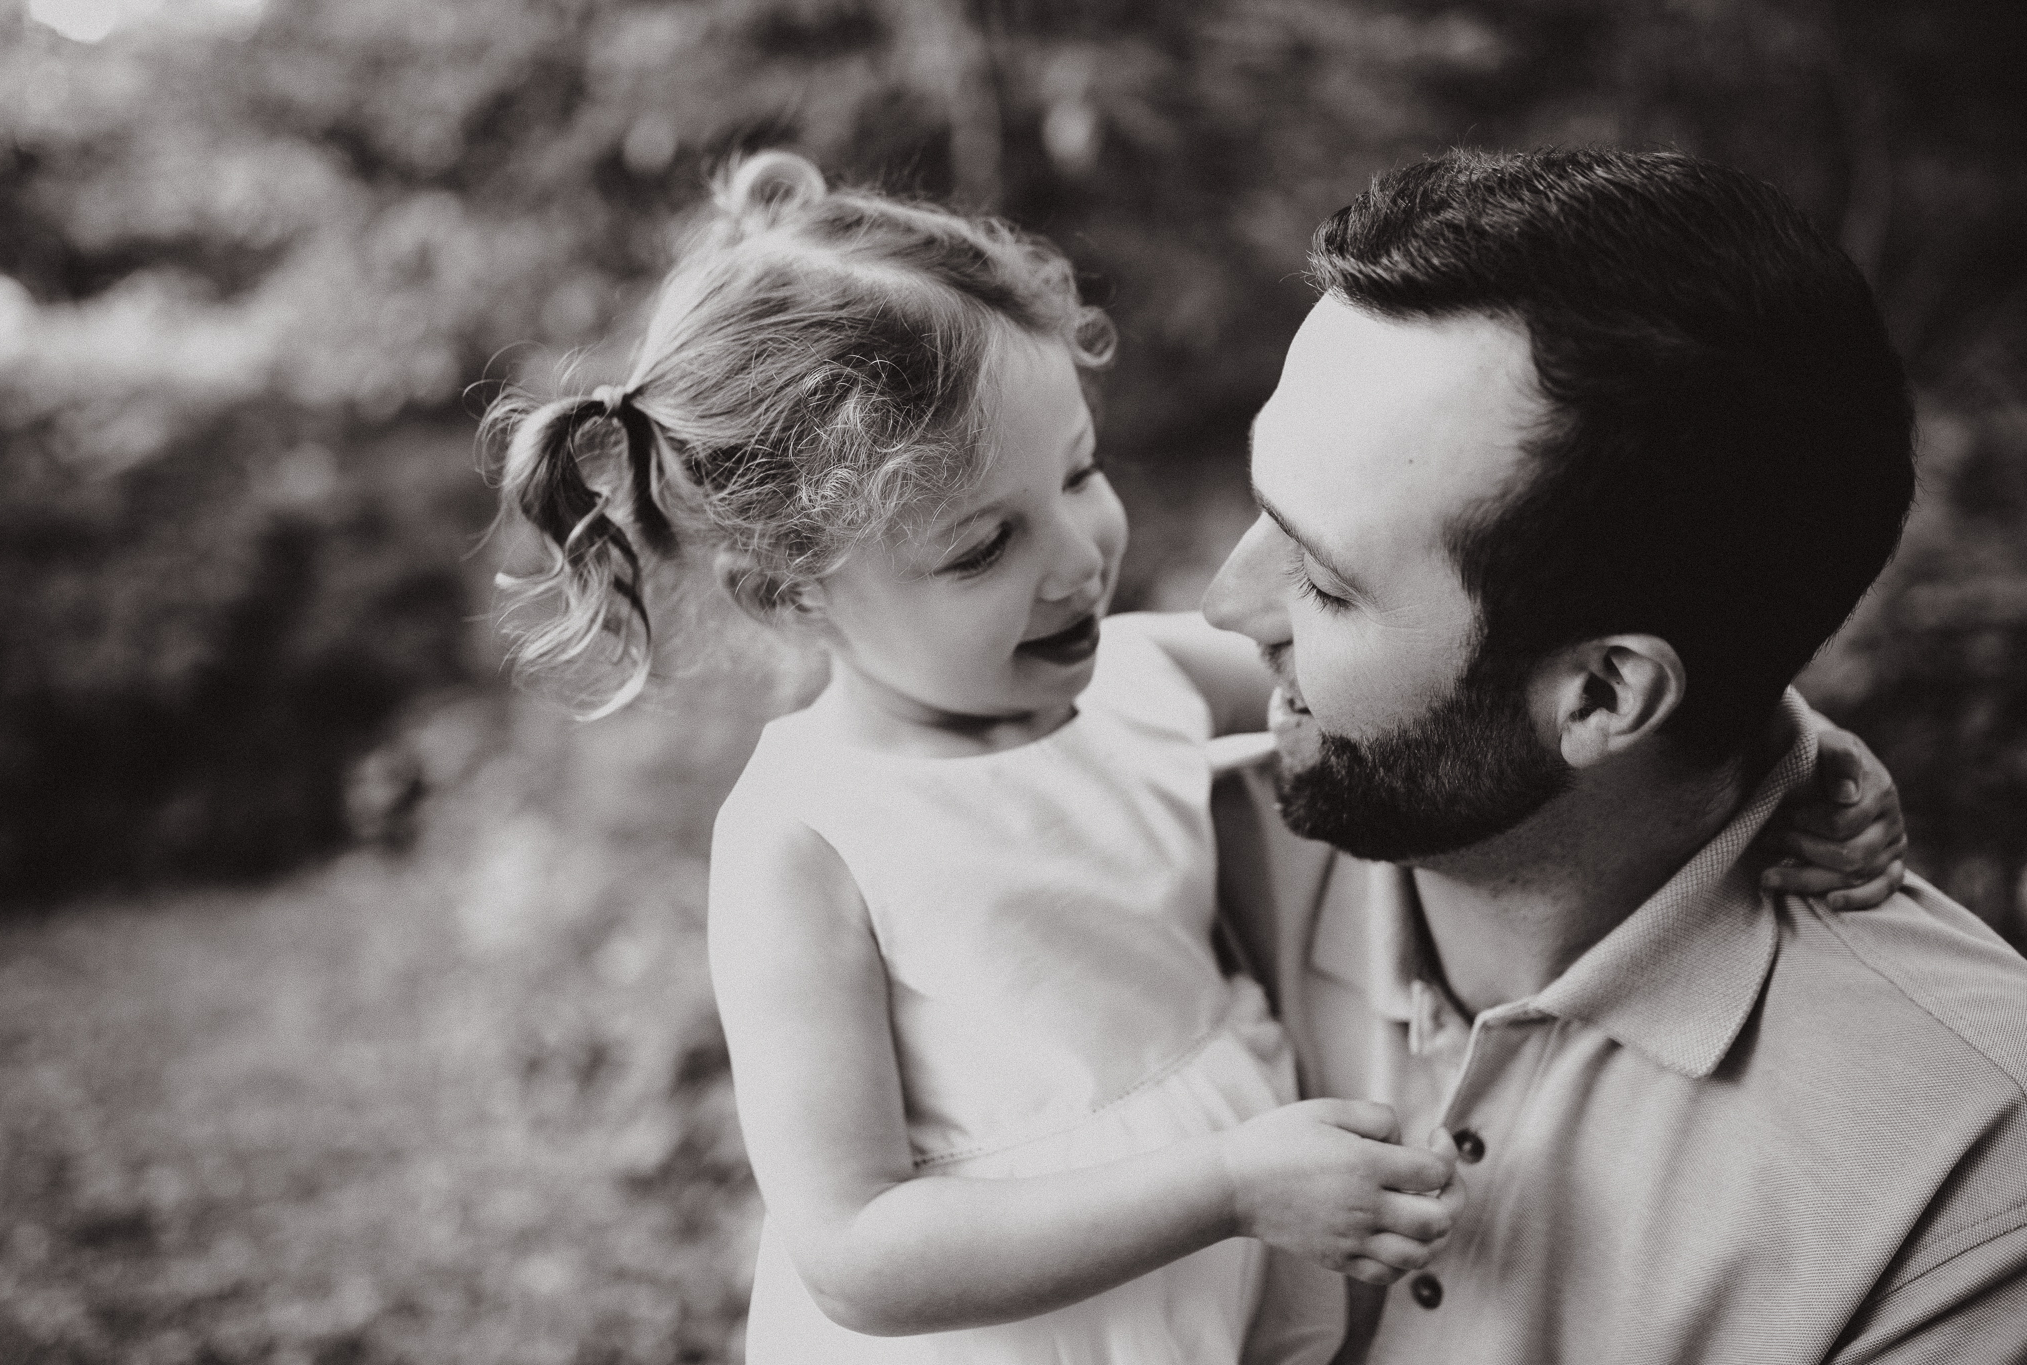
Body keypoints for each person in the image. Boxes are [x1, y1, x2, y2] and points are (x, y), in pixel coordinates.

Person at [481, 150, 1907, 1365]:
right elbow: (854, 1245)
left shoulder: (1143, 675)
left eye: (1079, 472)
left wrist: (1771, 735)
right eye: (983, 545)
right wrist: (1223, 1183)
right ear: (792, 592)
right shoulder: (810, 834)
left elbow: (1514, 689)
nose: (1079, 557)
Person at [1200, 146, 2027, 1363]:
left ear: (1601, 693)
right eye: (1262, 508)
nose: (1225, 603)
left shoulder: (1963, 1171)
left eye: (1321, 582)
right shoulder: (1150, 817)